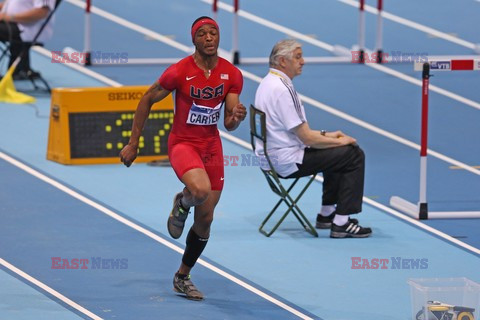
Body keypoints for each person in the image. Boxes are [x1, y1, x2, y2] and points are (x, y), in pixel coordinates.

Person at [119, 16, 246, 300]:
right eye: (203, 34)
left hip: (212, 146)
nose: (209, 38)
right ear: (194, 40)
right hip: (183, 144)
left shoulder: (232, 75)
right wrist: (133, 142)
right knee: (199, 191)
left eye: (213, 33)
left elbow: (229, 122)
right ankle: (183, 201)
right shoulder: (179, 72)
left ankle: (182, 276)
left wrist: (236, 117)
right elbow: (147, 99)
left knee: (206, 219)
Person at [254, 39, 372, 238]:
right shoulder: (283, 89)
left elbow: (297, 132)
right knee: (353, 155)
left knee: (335, 153)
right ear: (283, 61)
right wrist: (340, 141)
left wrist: (329, 135)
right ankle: (342, 222)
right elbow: (307, 138)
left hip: (271, 157)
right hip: (287, 161)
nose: (303, 61)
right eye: (298, 57)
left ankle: (327, 214)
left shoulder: (267, 83)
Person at [0, 0, 56, 80]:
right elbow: (11, 5)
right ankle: (22, 69)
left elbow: (41, 12)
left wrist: (9, 17)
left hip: (28, 29)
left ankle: (21, 69)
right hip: (15, 23)